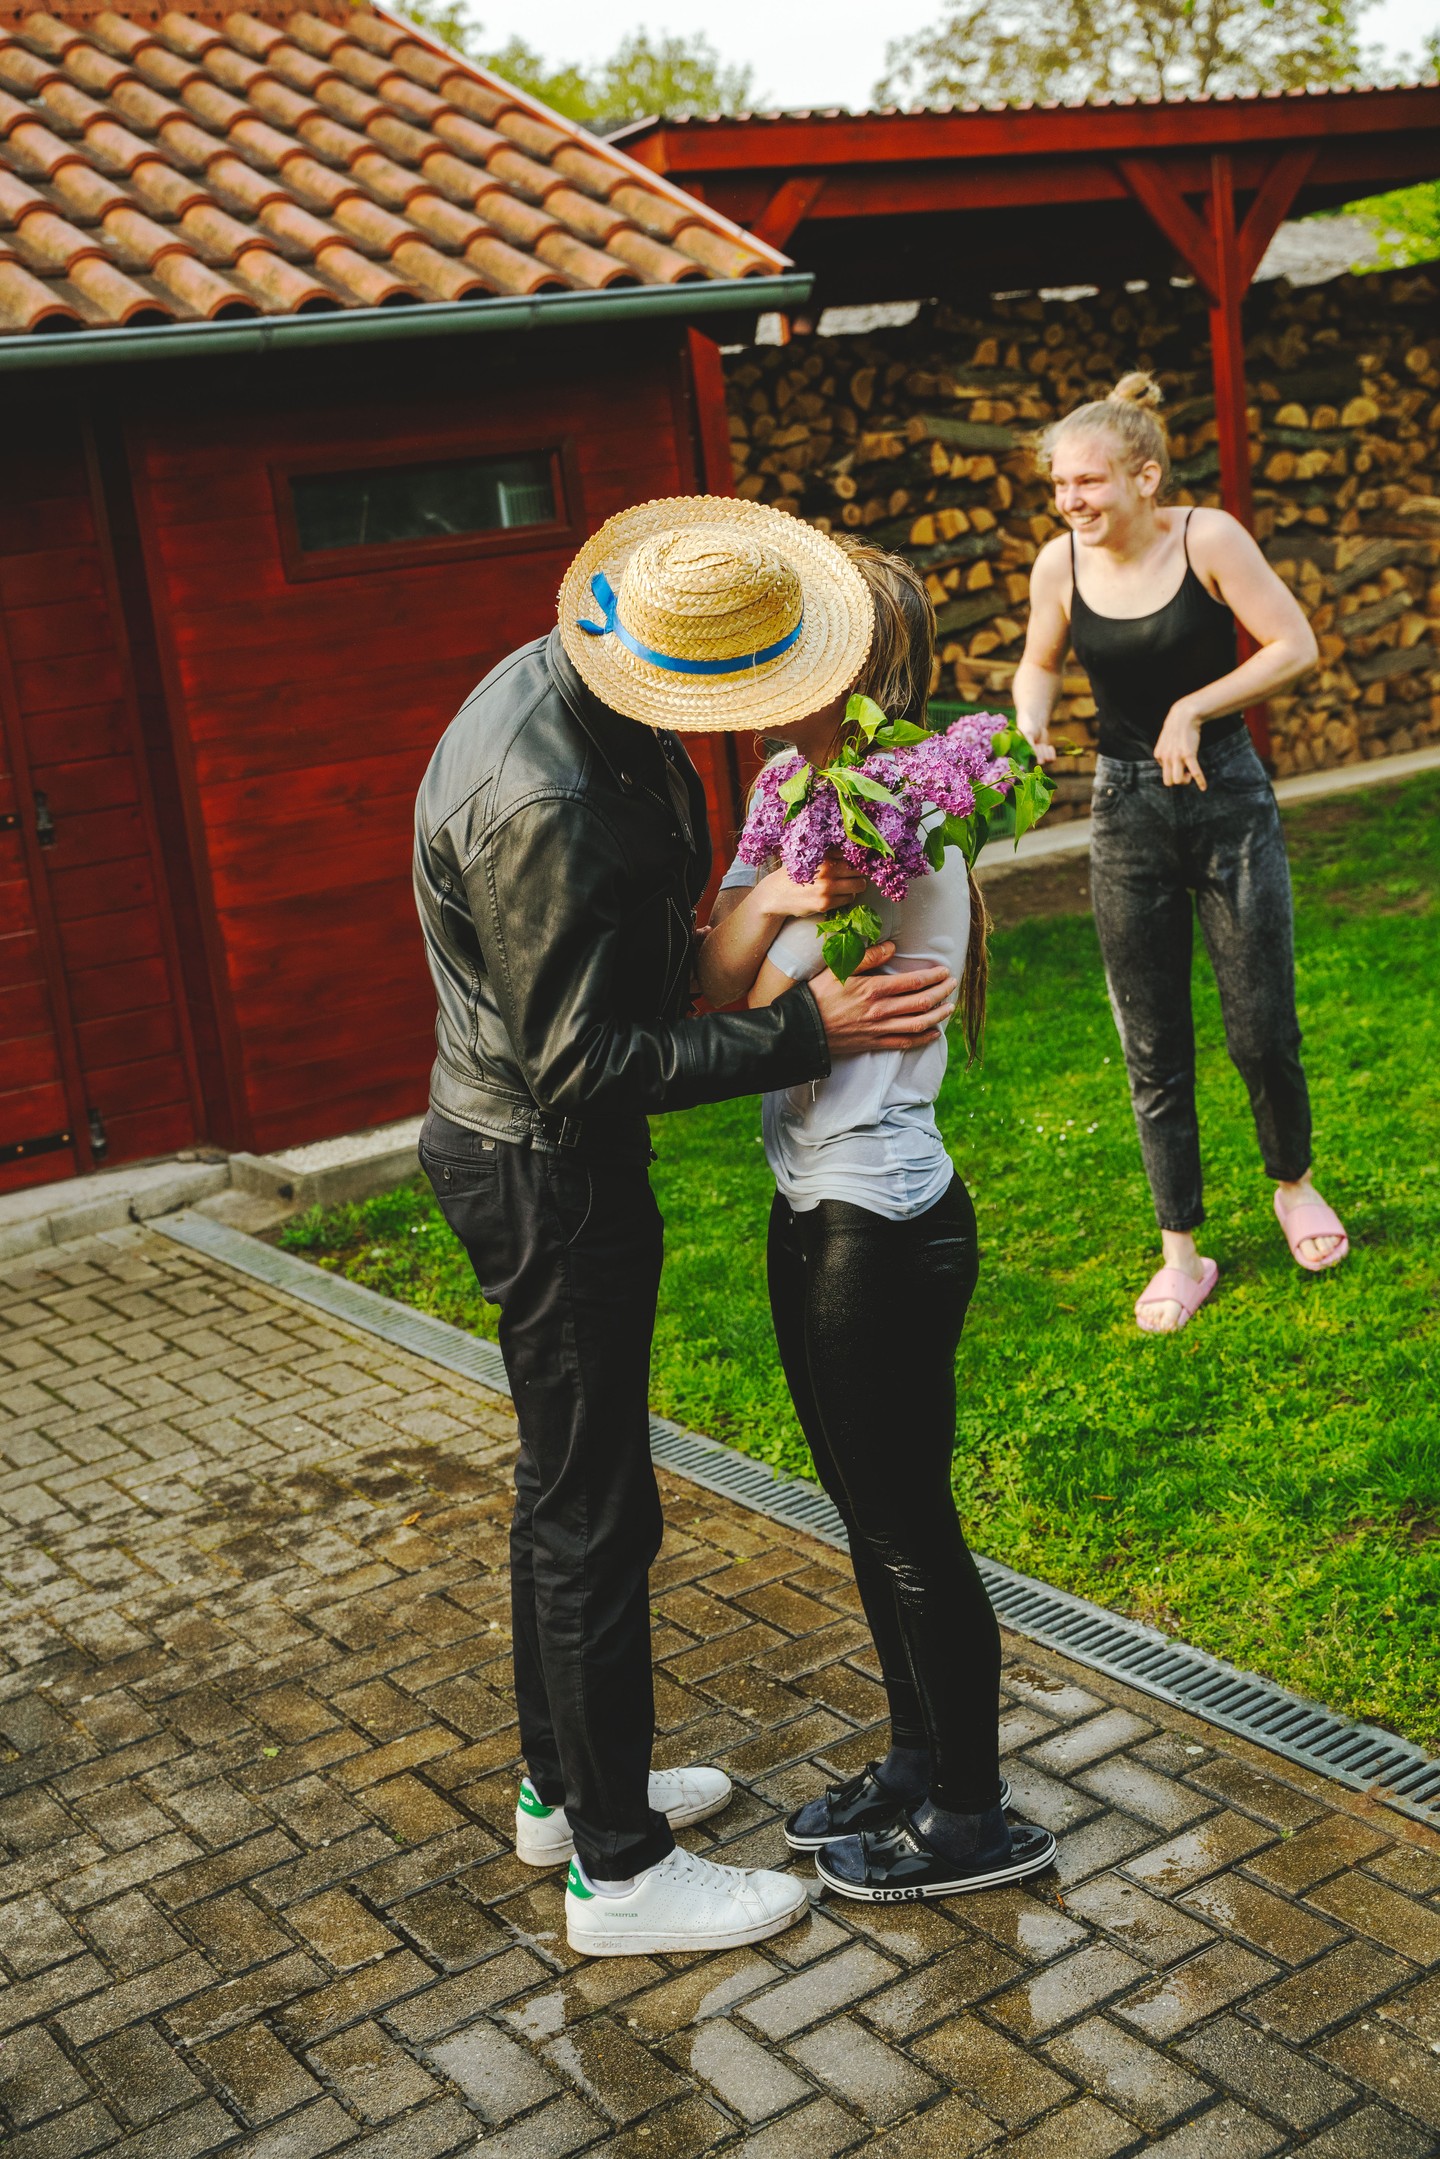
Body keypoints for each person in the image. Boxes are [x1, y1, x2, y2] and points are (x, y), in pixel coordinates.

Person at [412, 497, 961, 1957]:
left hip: (532, 1144)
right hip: (546, 1165)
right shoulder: (555, 799)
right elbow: (587, 1060)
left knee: (565, 1487)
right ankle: (625, 1871)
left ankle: (565, 1784)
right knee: (595, 1510)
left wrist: (768, 901)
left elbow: (626, 965)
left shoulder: (580, 683)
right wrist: (805, 1025)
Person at [698, 542, 1056, 1901]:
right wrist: (778, 899)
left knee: (907, 1518)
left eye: (793, 638)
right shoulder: (788, 794)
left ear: (858, 664)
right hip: (806, 1191)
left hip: (883, 1213)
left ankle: (975, 1811)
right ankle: (917, 1759)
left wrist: (774, 917)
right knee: (861, 1502)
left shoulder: (899, 797)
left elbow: (750, 999)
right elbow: (713, 982)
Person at [1014, 375, 1346, 1334]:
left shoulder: (1208, 538)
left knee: (1260, 1022)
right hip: (1123, 811)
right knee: (1151, 1042)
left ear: (1145, 476)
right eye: (1060, 485)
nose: (1071, 500)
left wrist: (1195, 706)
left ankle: (1293, 1186)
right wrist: (1028, 726)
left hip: (1227, 797)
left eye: (1089, 482)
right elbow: (1038, 663)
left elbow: (1296, 643)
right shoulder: (1057, 565)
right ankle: (1181, 1249)